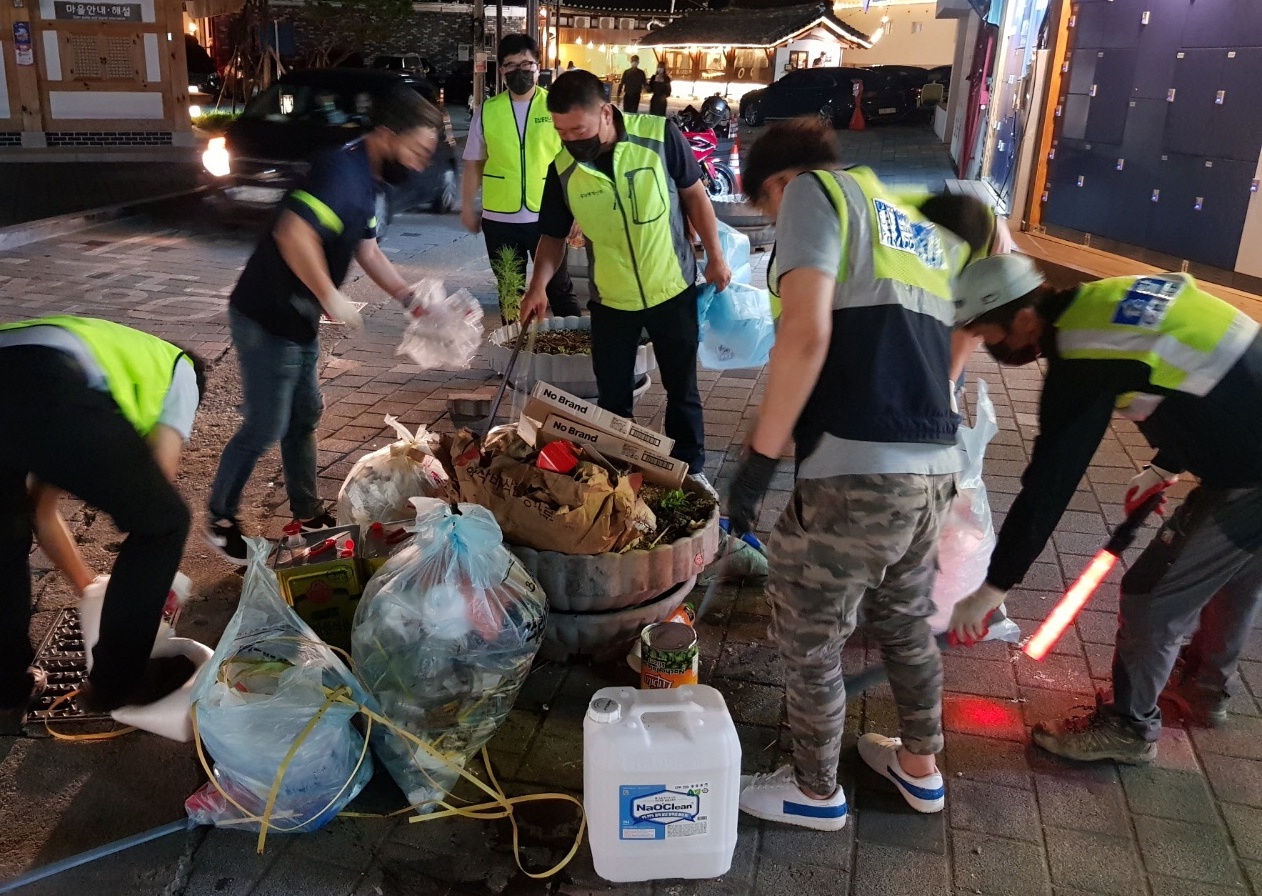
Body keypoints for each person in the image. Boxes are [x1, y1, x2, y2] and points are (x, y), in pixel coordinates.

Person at [725, 118, 978, 831]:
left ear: (778, 184)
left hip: (858, 469)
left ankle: (813, 789)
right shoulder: (909, 222)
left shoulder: (813, 193)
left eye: (768, 213)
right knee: (903, 622)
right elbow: (965, 329)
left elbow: (804, 334)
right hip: (932, 462)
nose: (779, 225)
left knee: (808, 630)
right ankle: (919, 769)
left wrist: (758, 463)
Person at [946, 254, 1262, 764]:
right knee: (1236, 574)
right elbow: (1199, 373)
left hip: (1251, 475)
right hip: (1246, 452)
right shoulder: (1101, 301)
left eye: (988, 335)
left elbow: (1051, 481)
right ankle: (1205, 690)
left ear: (1022, 318)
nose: (989, 346)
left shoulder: (1082, 352)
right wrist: (1165, 465)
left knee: (1150, 596)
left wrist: (992, 587)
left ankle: (1129, 729)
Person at [0, 316, 207, 734]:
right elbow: (152, 496)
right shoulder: (181, 369)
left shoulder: (107, 363)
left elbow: (40, 512)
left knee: (3, 533)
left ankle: (6, 696)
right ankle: (115, 686)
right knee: (164, 524)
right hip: (43, 386)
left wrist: (88, 587)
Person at [205, 84, 442, 565]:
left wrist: (407, 297)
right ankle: (219, 518)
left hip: (299, 318)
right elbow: (293, 232)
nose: (420, 164)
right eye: (417, 151)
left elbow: (367, 247)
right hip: (265, 312)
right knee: (266, 423)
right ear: (387, 133)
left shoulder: (370, 177)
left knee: (305, 413)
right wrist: (331, 293)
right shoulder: (342, 169)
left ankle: (307, 512)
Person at [519, 69, 731, 481]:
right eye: (561, 132)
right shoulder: (562, 167)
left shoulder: (658, 135)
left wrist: (716, 256)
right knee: (613, 397)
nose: (570, 140)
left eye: (577, 129)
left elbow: (694, 195)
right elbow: (552, 236)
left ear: (605, 112)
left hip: (672, 289)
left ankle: (692, 469)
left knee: (682, 389)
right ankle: (620, 472)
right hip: (611, 302)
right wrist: (537, 286)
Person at [461, 34, 578, 318]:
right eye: (511, 65)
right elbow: (474, 163)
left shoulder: (556, 106)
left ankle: (575, 353)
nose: (519, 71)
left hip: (548, 217)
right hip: (500, 220)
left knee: (558, 289)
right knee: (509, 291)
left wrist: (577, 211)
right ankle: (514, 353)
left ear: (539, 67)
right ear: (501, 71)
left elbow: (575, 162)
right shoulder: (488, 110)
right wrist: (467, 207)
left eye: (526, 64)